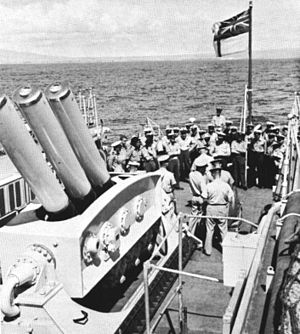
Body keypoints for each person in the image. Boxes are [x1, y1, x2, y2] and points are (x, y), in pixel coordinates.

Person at [204, 166, 234, 256]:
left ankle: (208, 250)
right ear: (220, 174)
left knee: (209, 229)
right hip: (222, 208)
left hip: (211, 207)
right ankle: (226, 250)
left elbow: (204, 197)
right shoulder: (226, 186)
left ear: (213, 174)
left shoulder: (209, 185)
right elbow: (231, 198)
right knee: (223, 229)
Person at [188, 159, 209, 232]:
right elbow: (204, 191)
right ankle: (199, 233)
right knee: (201, 217)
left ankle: (191, 231)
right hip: (201, 197)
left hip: (194, 197)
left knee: (193, 216)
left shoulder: (191, 174)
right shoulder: (201, 177)